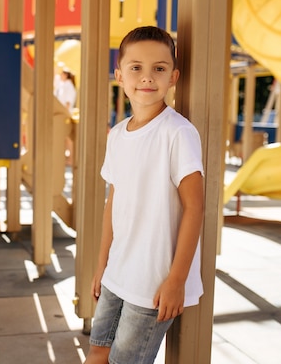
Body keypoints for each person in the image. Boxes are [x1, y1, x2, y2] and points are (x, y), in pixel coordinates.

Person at [85, 26, 204, 364]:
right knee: (97, 352)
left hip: (153, 281)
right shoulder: (118, 135)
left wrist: (176, 280)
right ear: (120, 75)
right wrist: (101, 265)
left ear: (173, 76)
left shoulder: (178, 133)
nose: (147, 77)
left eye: (159, 68)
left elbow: (194, 208)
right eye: (136, 68)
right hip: (118, 271)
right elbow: (114, 203)